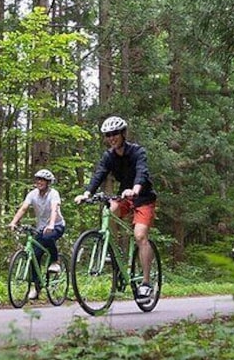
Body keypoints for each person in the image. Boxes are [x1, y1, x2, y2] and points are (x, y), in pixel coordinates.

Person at [74, 116, 158, 303]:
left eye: (115, 134)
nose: (111, 138)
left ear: (123, 134)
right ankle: (112, 250)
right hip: (124, 197)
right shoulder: (108, 156)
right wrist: (87, 193)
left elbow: (142, 171)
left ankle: (146, 282)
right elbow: (99, 175)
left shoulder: (137, 152)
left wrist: (136, 188)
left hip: (143, 197)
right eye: (108, 135)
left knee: (140, 236)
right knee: (109, 209)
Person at [9, 168, 66, 299]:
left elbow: (54, 209)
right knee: (34, 256)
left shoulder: (53, 193)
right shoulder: (32, 194)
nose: (39, 182)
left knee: (48, 237)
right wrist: (14, 222)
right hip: (41, 228)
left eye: (43, 180)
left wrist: (51, 224)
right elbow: (23, 208)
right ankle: (37, 286)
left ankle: (55, 261)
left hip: (57, 225)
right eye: (38, 179)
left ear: (48, 182)